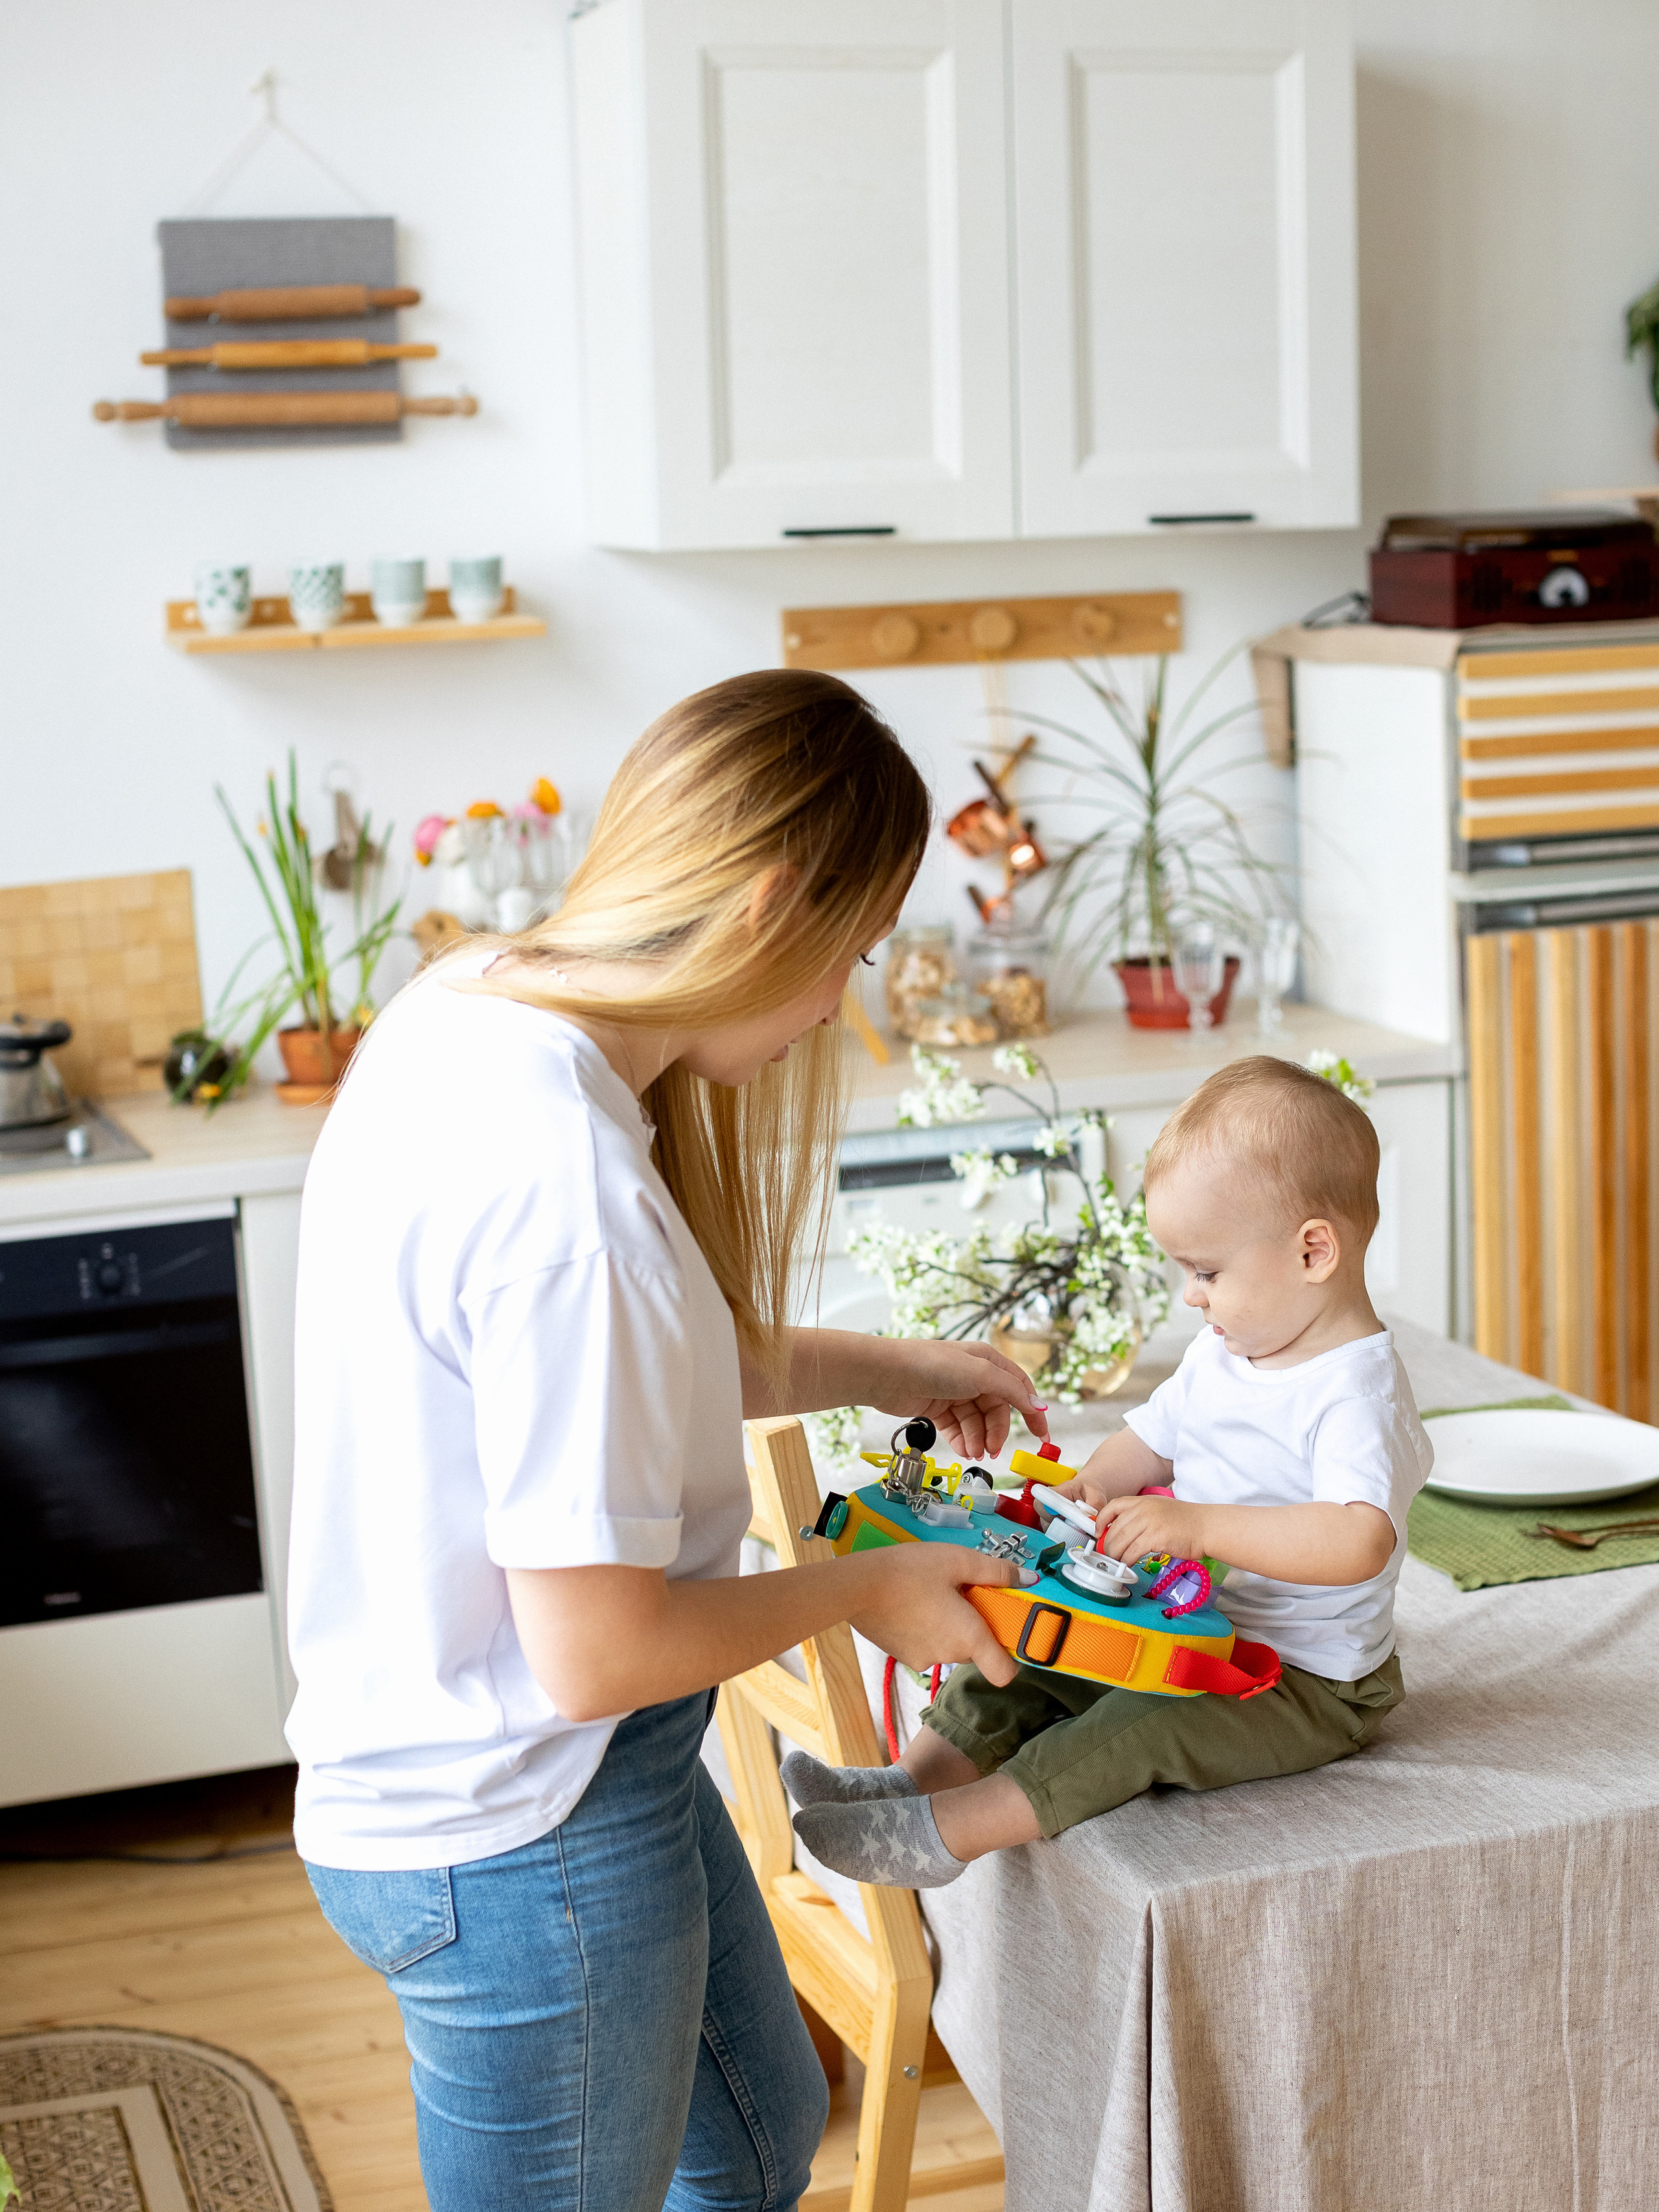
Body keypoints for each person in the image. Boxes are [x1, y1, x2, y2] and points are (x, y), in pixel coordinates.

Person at [283, 670, 1048, 2212]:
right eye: (848, 948)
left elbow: (626, 1362)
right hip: (513, 1823)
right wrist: (866, 1588)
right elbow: (598, 1648)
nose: (842, 999)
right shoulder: (566, 1187)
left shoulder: (482, 1000)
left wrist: (883, 1364)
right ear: (768, 900)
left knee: (760, 2133)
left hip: (553, 1770)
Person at [789, 1056, 1431, 1888]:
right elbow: (1149, 1439)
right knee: (1036, 1655)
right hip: (1190, 1631)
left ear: (1313, 1250)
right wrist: (1086, 1488)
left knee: (1136, 1725)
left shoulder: (1354, 1392)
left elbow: (1357, 1538)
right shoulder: (1225, 1350)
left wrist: (1196, 1524)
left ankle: (947, 1835)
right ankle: (912, 1778)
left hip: (1299, 1680)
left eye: (1205, 1271)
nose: (1190, 1297)